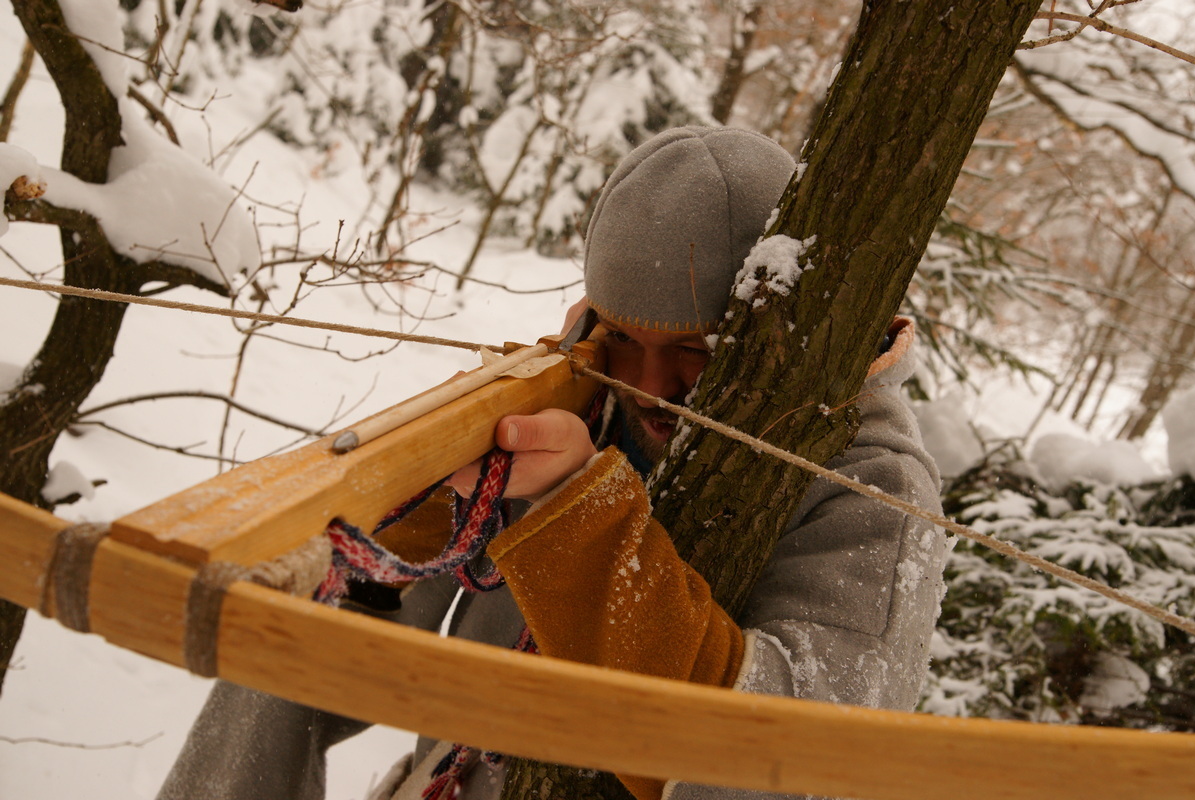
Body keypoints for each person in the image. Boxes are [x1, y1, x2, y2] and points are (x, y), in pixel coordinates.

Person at [157, 126, 946, 800]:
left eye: (695, 353)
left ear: (772, 332)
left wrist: (578, 513)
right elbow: (333, 647)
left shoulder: (874, 482)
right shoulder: (581, 391)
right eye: (623, 338)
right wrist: (394, 529)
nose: (646, 386)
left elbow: (788, 769)